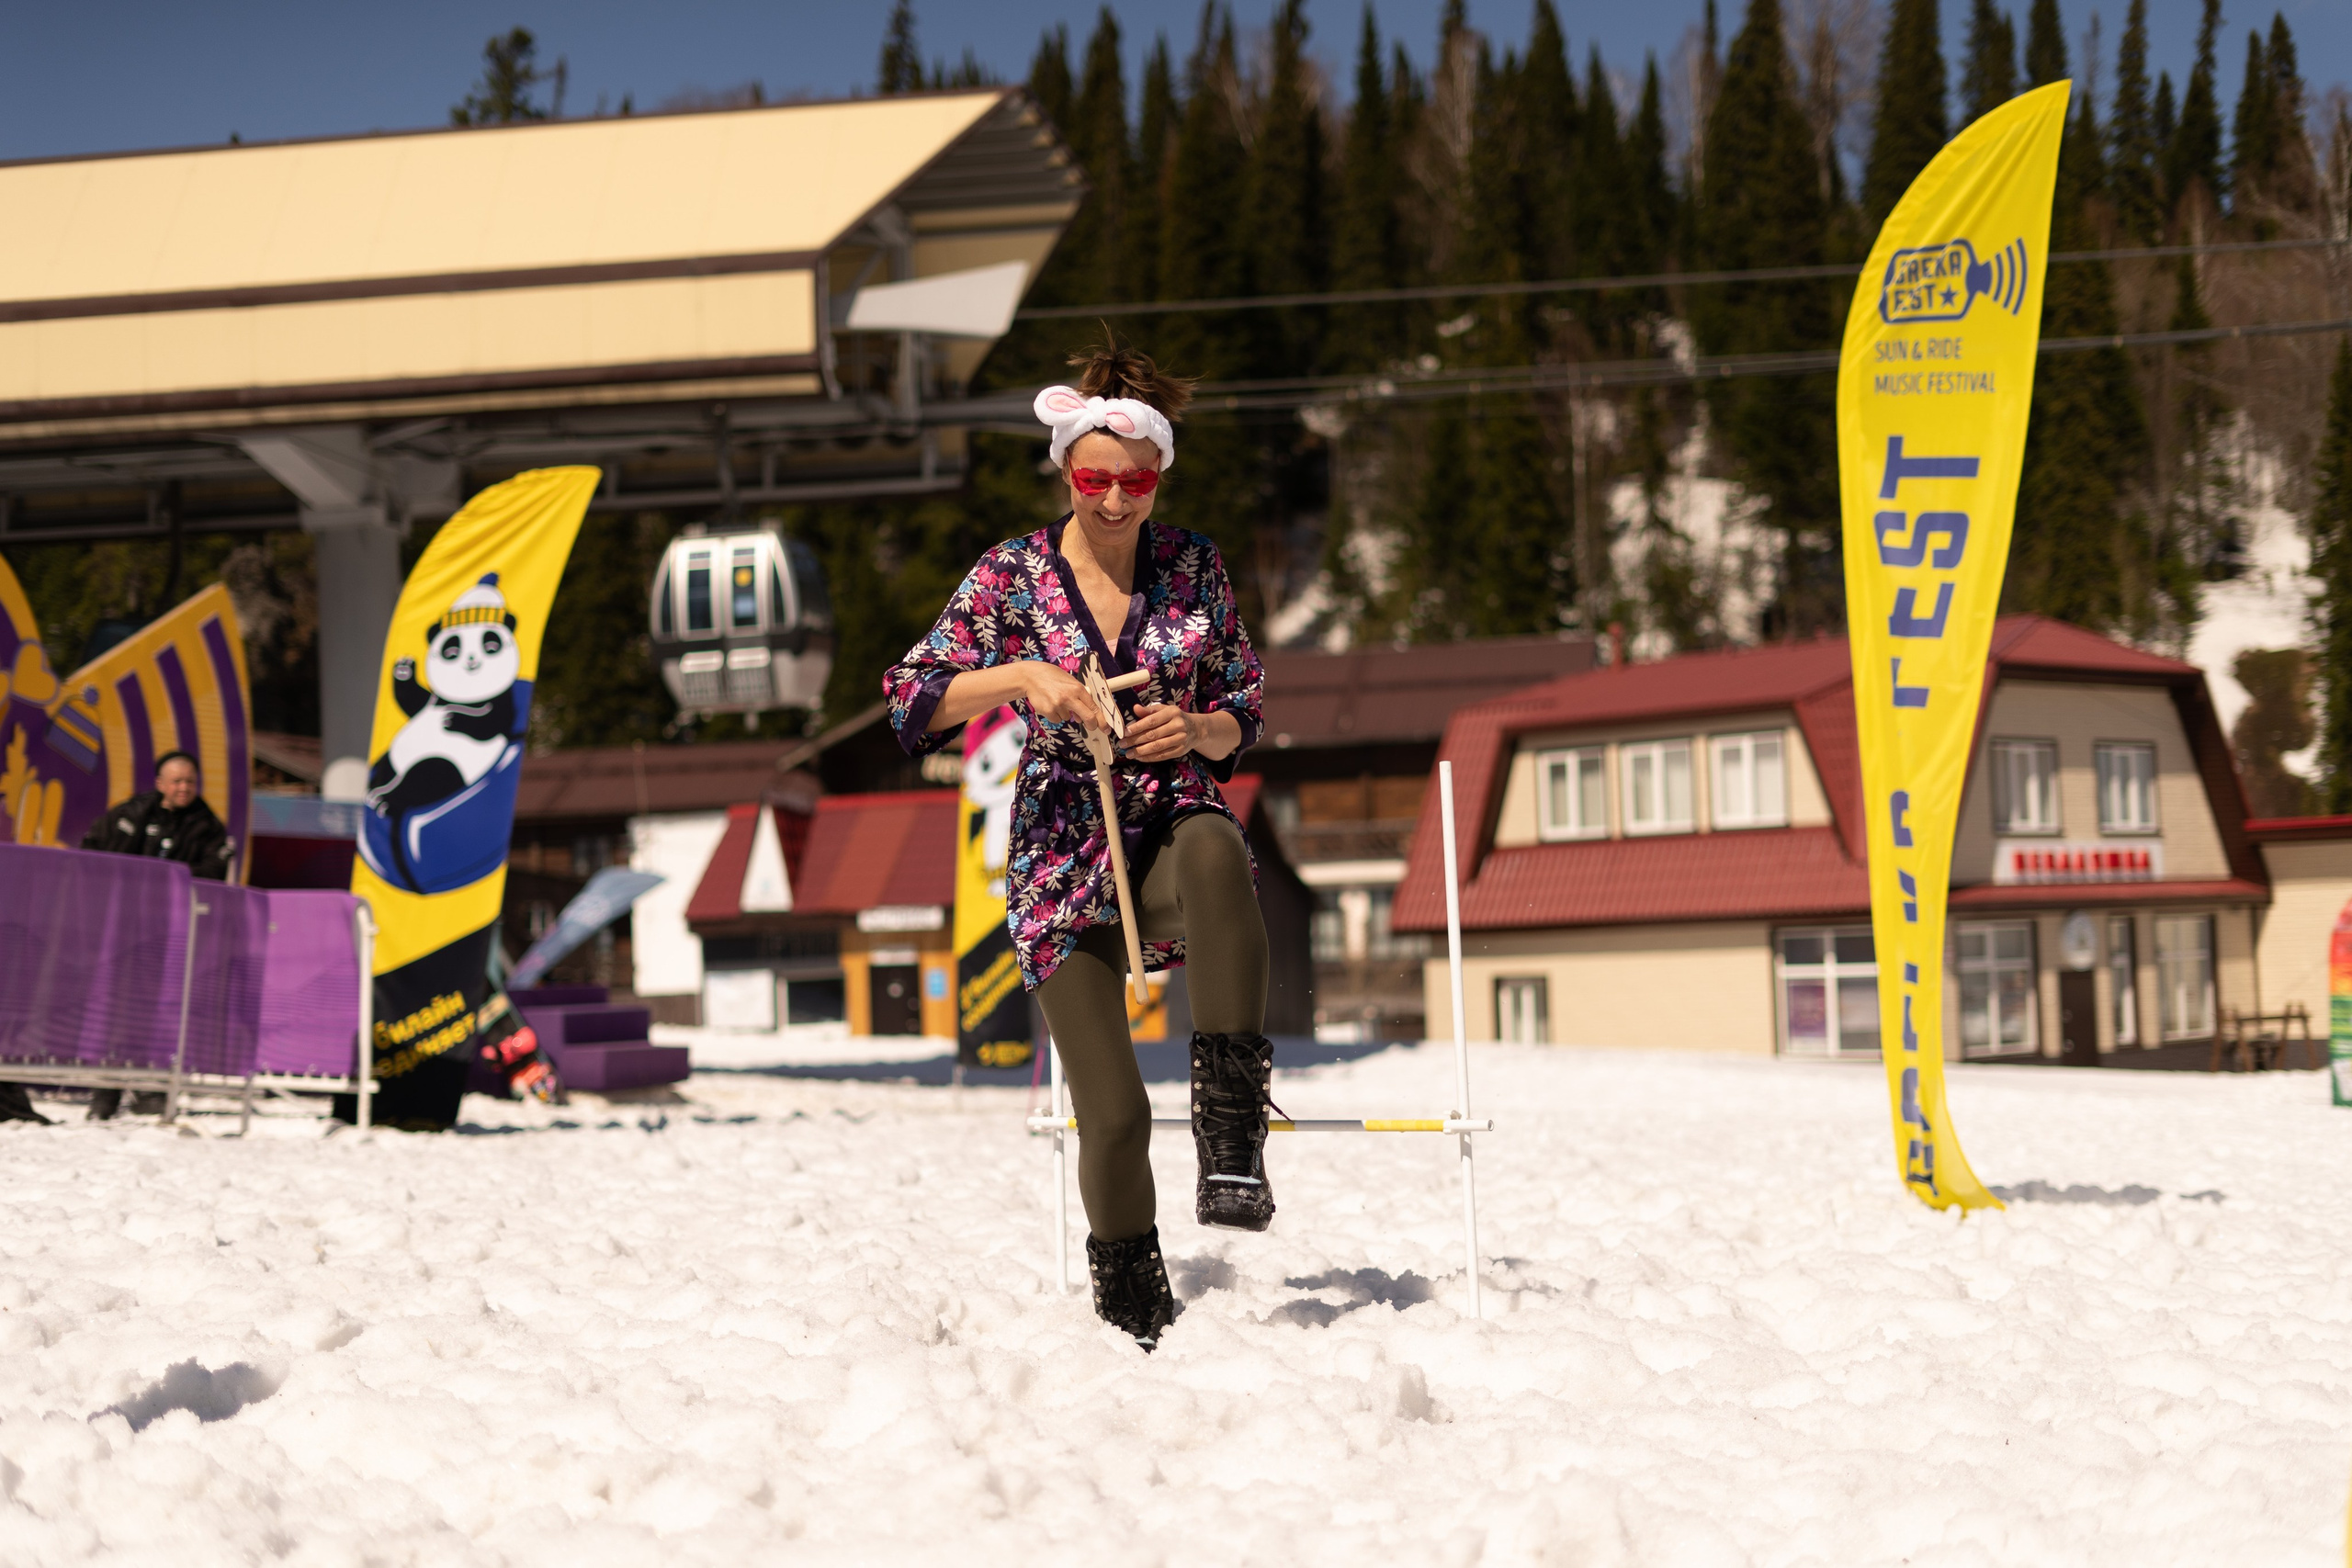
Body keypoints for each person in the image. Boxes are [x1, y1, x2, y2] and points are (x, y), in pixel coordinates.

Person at [885, 341, 1273, 1351]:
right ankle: (1133, 1314)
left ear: (1160, 477)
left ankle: (1230, 1137)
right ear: (1065, 470)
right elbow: (910, 695)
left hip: (1164, 830)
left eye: (1133, 482)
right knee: (1112, 1117)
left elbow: (1241, 709)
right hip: (1062, 855)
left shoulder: (1194, 568)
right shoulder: (1010, 576)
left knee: (1217, 849)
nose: (1111, 501)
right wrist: (1020, 676)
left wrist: (1193, 730)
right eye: (1092, 478)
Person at [80, 750, 234, 1120]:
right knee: (114, 1008)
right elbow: (91, 852)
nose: (184, 788)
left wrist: (164, 877)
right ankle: (106, 1091)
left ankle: (151, 1088)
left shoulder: (207, 825)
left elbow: (214, 870)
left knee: (159, 1010)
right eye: (177, 781)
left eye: (190, 782)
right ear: (160, 783)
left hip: (174, 935)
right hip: (121, 930)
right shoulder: (132, 814)